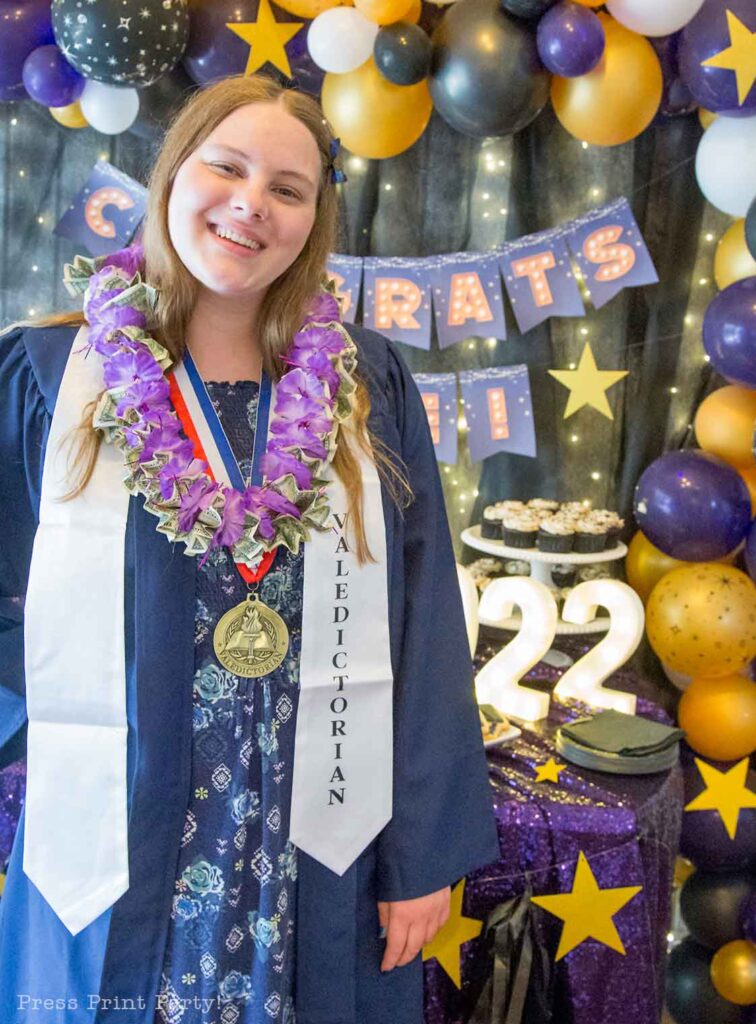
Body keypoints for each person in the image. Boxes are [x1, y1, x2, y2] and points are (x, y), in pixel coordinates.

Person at [0, 74, 500, 1024]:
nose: (250, 205)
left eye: (288, 188)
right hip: (115, 836)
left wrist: (422, 856)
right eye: (225, 168)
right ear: (170, 174)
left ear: (313, 222)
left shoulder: (366, 387)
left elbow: (423, 621)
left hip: (319, 837)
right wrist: (59, 724)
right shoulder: (50, 375)